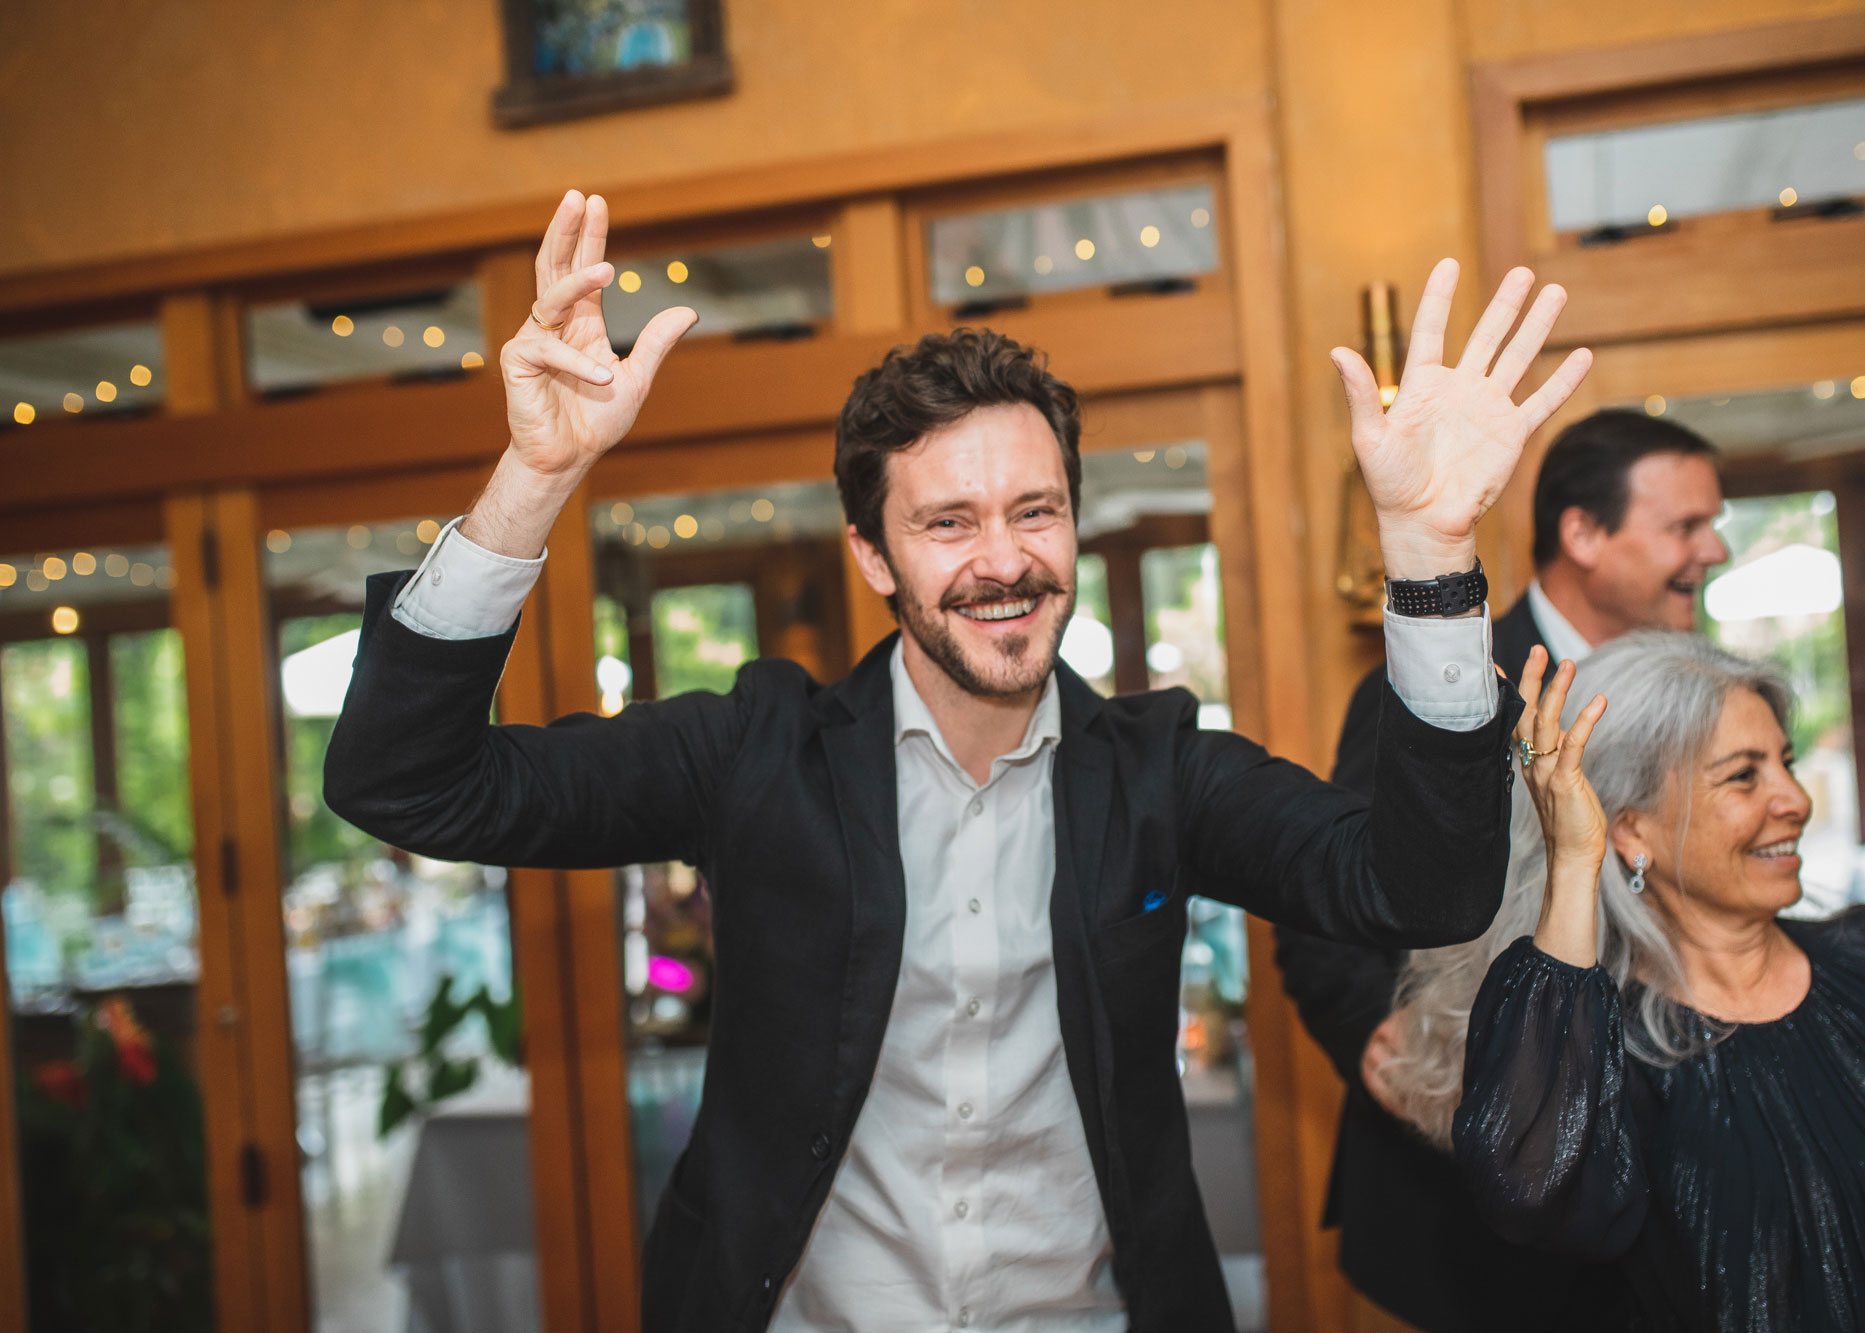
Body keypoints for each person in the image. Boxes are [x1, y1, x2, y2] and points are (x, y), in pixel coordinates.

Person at [322, 190, 1594, 1332]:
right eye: (947, 522)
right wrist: (535, 476)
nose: (1003, 559)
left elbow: (1419, 892)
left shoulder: (1158, 769)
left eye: (1034, 511)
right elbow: (409, 783)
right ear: (873, 556)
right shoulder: (755, 750)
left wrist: (1429, 557)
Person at [1272, 409, 1727, 1330]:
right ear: (1582, 534)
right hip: (1471, 1210)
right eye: (1685, 525)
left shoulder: (1704, 690)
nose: (1712, 549)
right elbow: (1323, 899)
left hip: (1658, 1170)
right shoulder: (1438, 681)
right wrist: (1378, 1033)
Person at [1451, 633, 1865, 1331]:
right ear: (1630, 831)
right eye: (1744, 775)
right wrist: (1573, 860)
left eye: (1786, 763)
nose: (1796, 799)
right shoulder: (1610, 1062)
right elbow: (1530, 1190)